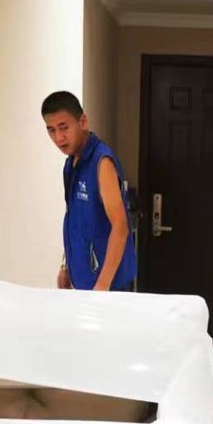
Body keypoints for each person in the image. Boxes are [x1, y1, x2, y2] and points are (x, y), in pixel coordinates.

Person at [41, 91, 136, 291]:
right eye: (51, 130)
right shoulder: (71, 164)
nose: (58, 137)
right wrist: (66, 265)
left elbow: (120, 227)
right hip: (83, 281)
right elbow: (75, 220)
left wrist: (101, 288)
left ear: (83, 122)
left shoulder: (102, 162)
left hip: (107, 287)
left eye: (64, 127)